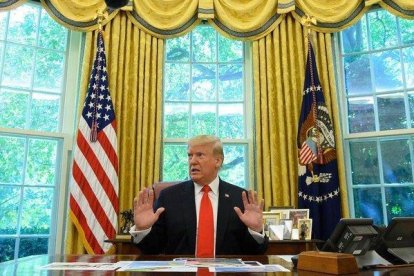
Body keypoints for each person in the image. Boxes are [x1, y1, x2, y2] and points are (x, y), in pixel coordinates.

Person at [130, 135, 268, 255]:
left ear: (218, 161)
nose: (192, 161)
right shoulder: (169, 197)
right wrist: (143, 230)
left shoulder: (240, 198)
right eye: (190, 155)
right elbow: (152, 249)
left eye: (200, 155)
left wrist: (255, 230)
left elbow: (253, 252)